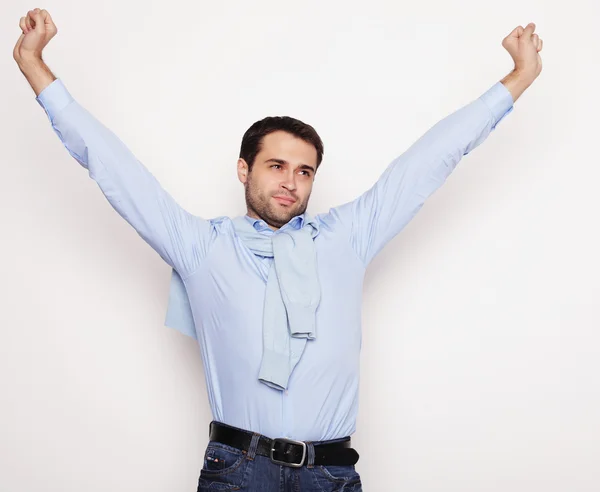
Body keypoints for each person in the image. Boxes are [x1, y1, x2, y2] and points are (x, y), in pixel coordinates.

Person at [14, 8, 543, 492]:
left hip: (331, 472)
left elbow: (429, 160)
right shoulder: (202, 247)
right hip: (237, 470)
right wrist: (37, 67)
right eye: (276, 166)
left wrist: (516, 80)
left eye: (305, 170)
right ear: (245, 170)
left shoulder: (347, 237)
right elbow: (113, 167)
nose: (292, 182)